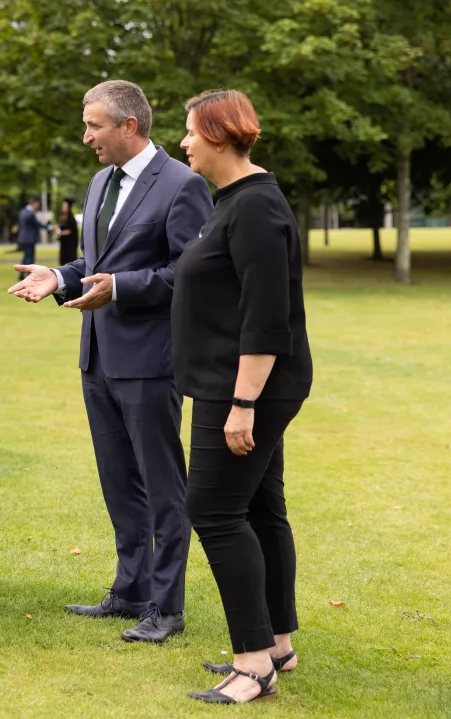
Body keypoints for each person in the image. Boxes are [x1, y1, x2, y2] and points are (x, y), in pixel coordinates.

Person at [9, 80, 212, 643]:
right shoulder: (100, 182)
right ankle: (131, 591)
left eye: (94, 125)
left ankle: (167, 606)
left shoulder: (183, 185)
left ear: (129, 125)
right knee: (119, 482)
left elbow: (185, 275)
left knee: (162, 485)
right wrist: (58, 276)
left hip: (150, 362)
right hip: (96, 357)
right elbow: (93, 260)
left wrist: (119, 287)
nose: (85, 136)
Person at [171, 90, 313, 705]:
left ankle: (253, 664)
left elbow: (266, 317)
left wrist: (243, 404)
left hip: (246, 389)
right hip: (231, 383)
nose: (184, 144)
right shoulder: (232, 201)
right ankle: (277, 643)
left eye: (190, 134)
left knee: (215, 512)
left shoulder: (255, 207)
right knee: (259, 508)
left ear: (220, 137)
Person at [16, 197, 46, 278]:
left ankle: (21, 274)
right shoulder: (30, 213)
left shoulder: (23, 211)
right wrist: (47, 227)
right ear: (34, 203)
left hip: (23, 237)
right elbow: (37, 224)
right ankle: (29, 274)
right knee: (30, 257)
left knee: (26, 256)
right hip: (29, 238)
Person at [57, 198, 80, 265]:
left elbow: (69, 231)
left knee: (69, 260)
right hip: (64, 243)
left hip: (70, 244)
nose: (62, 208)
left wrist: (60, 233)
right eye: (62, 206)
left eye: (64, 206)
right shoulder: (62, 217)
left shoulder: (71, 218)